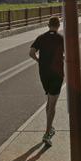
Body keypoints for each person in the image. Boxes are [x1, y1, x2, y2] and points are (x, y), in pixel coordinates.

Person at [30, 17, 65, 146]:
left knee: (49, 101)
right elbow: (64, 54)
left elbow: (31, 52)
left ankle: (49, 127)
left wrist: (39, 60)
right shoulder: (61, 38)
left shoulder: (41, 37)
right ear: (58, 25)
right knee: (53, 104)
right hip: (57, 74)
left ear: (47, 25)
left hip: (44, 74)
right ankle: (47, 132)